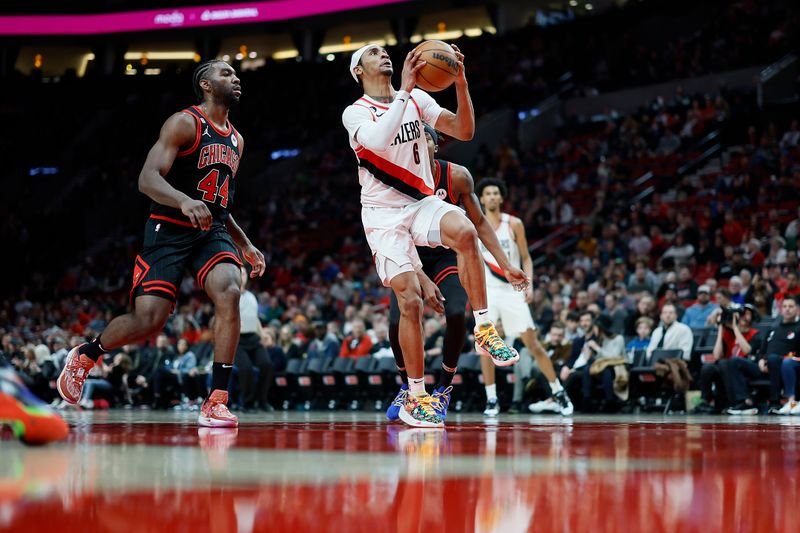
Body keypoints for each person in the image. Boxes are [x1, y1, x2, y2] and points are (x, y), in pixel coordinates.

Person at [56, 60, 265, 428]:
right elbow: (147, 179)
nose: (236, 78)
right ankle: (88, 354)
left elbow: (222, 205)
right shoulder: (184, 122)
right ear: (205, 84)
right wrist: (183, 200)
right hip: (168, 226)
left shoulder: (237, 139)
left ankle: (216, 399)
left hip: (211, 229)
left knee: (230, 290)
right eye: (226, 73)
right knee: (149, 319)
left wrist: (245, 244)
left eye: (236, 74)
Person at [342, 44, 527, 427]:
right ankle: (415, 394)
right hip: (383, 215)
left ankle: (484, 328)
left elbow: (464, 129)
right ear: (359, 70)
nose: (385, 54)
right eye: (373, 53)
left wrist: (460, 83)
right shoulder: (355, 112)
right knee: (408, 303)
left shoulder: (417, 98)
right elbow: (376, 141)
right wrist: (407, 90)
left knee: (464, 231)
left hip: (420, 202)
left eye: (384, 50)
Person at [387, 126, 528, 422]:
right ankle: (408, 389)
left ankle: (442, 389)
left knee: (455, 313)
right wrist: (423, 281)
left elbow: (478, 222)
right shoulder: (394, 180)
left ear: (435, 146)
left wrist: (506, 264)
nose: (418, 143)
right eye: (412, 140)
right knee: (396, 322)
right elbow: (392, 236)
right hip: (408, 256)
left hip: (445, 254)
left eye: (425, 138)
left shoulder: (457, 177)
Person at [477, 177, 573, 417]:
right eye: (487, 193)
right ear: (480, 198)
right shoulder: (475, 224)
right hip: (487, 292)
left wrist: (528, 284)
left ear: (501, 197)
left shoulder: (514, 223)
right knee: (485, 346)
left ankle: (558, 391)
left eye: (495, 193)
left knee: (533, 343)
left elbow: (526, 258)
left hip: (512, 291)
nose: (491, 197)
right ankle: (491, 399)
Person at [726, 295, 800, 415]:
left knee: (773, 359)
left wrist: (776, 360)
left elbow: (796, 355)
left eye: (790, 306)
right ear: (781, 309)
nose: (787, 309)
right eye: (784, 306)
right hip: (764, 366)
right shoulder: (773, 328)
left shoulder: (798, 328)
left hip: (784, 366)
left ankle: (774, 402)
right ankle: (744, 401)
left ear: (797, 309)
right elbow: (762, 350)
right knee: (734, 361)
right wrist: (761, 360)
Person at [694, 304, 763, 414]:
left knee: (727, 362)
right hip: (726, 367)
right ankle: (707, 400)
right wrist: (721, 329)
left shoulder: (755, 334)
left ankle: (737, 401)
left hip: (745, 368)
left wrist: (736, 328)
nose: (742, 318)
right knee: (708, 367)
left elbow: (747, 351)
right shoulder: (728, 334)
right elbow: (716, 355)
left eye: (745, 314)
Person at [235, 266, 274, 412]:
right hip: (237, 339)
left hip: (253, 337)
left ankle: (262, 401)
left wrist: (262, 333)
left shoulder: (252, 296)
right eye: (239, 273)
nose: (242, 276)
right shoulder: (230, 294)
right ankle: (247, 404)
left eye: (244, 273)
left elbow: (255, 318)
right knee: (246, 369)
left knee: (267, 365)